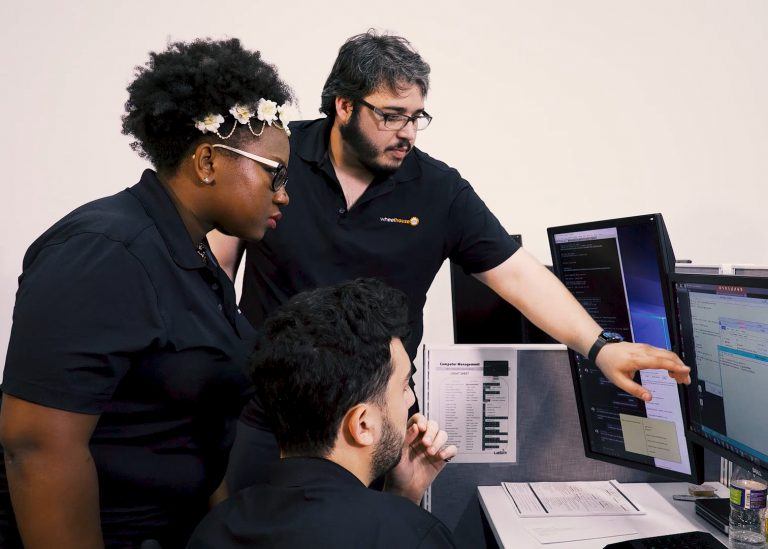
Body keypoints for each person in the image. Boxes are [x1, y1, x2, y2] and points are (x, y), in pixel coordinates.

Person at [210, 30, 691, 494]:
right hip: (271, 416)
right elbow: (215, 269)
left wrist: (600, 347)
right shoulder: (278, 156)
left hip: (376, 426)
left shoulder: (438, 189)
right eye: (392, 115)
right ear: (344, 105)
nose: (408, 134)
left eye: (417, 117)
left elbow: (518, 275)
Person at [0, 38, 293, 548]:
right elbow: (37, 447)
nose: (283, 193)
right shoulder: (105, 252)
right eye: (274, 172)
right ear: (207, 161)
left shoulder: (194, 255)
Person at [188, 279, 458, 548]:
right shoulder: (415, 536)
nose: (411, 398)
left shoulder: (215, 529)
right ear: (362, 424)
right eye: (403, 386)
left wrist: (400, 497)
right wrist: (404, 515)